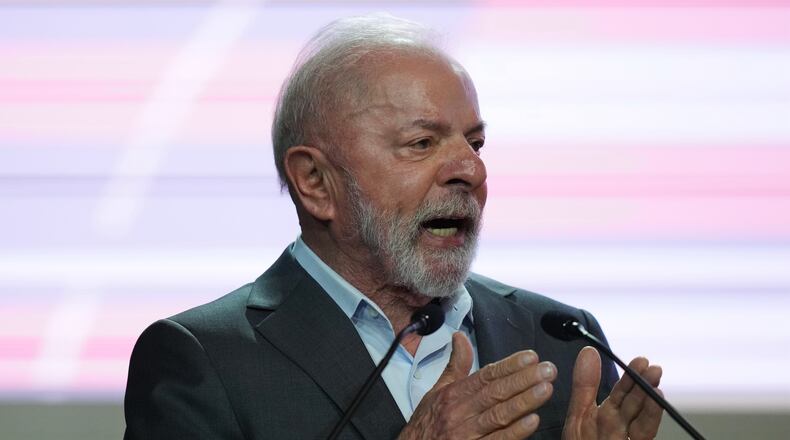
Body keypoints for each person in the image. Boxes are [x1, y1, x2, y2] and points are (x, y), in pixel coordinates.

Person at [124, 14, 663, 440]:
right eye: (422, 143)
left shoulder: (564, 340)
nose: (470, 171)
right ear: (315, 181)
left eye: (475, 144)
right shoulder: (203, 359)